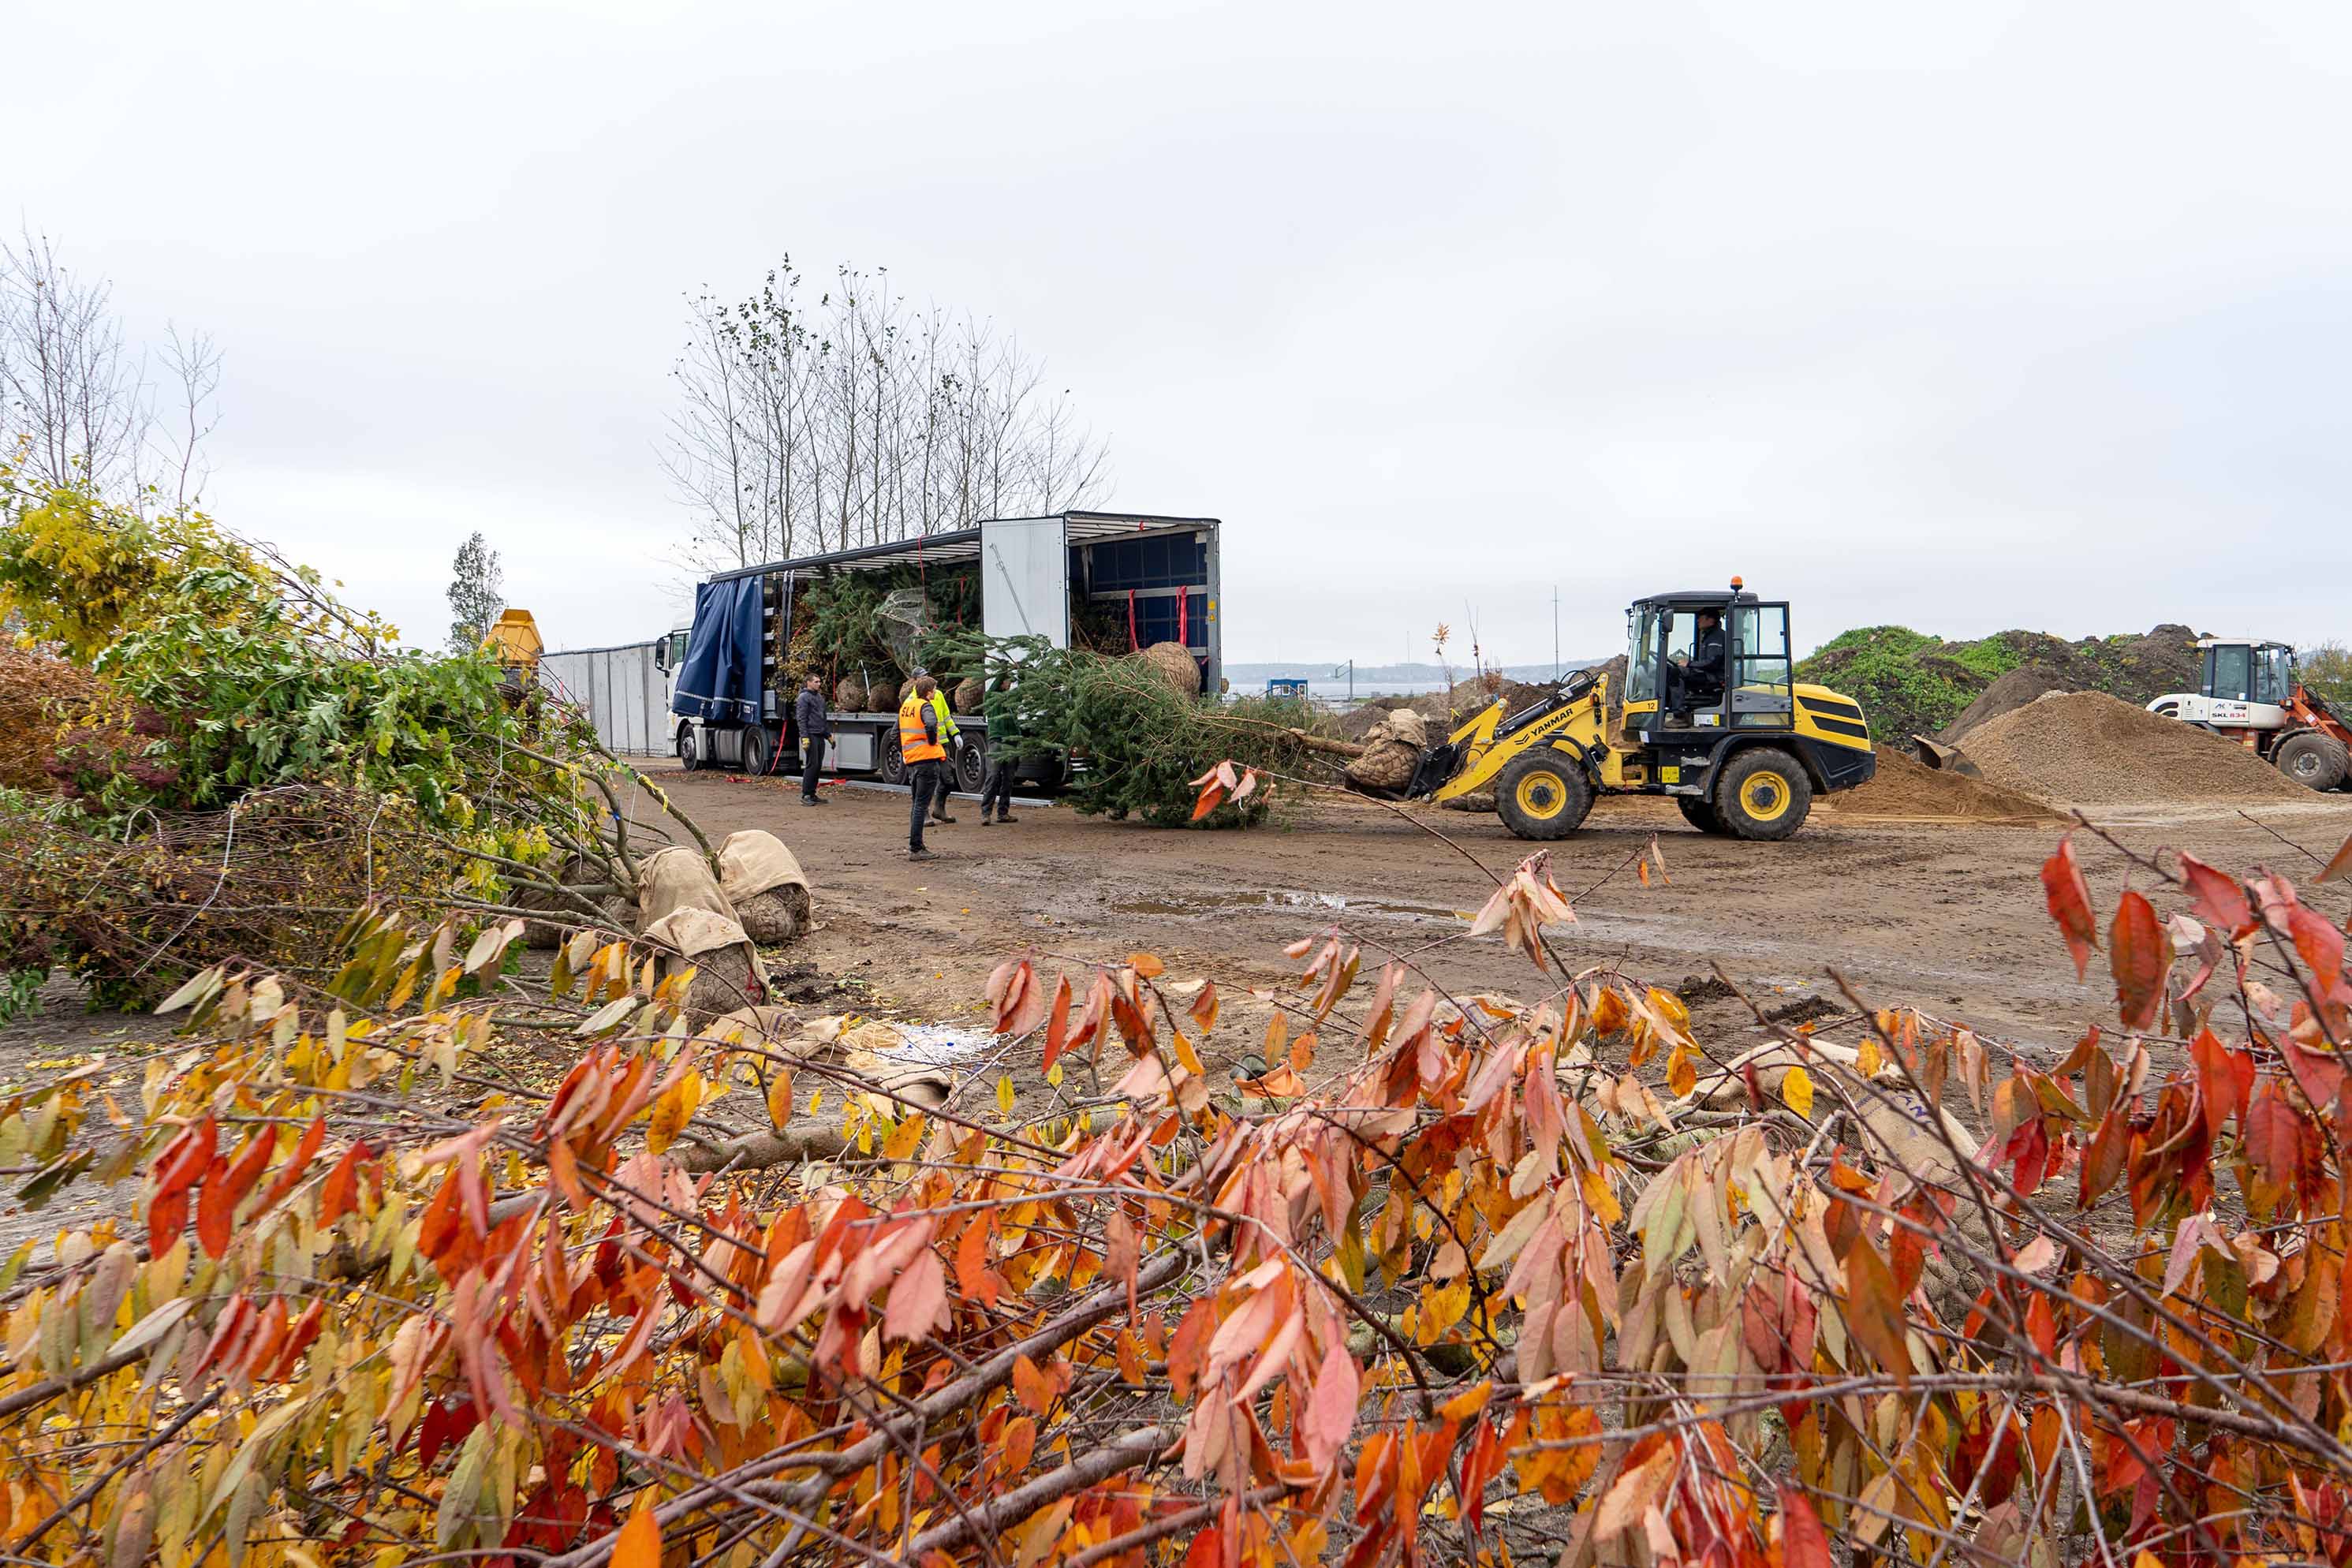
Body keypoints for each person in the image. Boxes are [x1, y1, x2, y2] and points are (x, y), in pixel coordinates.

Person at [898, 674, 948, 859]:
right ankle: (916, 848)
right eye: (934, 689)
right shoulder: (925, 706)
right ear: (928, 692)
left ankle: (915, 845)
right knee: (921, 804)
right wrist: (933, 741)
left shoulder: (906, 707)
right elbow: (931, 724)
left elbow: (896, 732)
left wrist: (905, 752)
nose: (935, 692)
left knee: (916, 804)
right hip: (927, 760)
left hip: (912, 761)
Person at [976, 676, 1021, 826]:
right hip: (997, 742)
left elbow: (1024, 689)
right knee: (993, 777)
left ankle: (1003, 813)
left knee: (1008, 780)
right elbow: (997, 681)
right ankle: (986, 813)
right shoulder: (992, 697)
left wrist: (1023, 672)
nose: (1009, 685)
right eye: (1007, 681)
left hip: (1012, 743)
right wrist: (1004, 668)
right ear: (1001, 683)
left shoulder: (1011, 702)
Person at [1670, 610, 1727, 713]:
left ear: (1711, 620)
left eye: (1701, 617)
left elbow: (1712, 663)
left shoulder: (1716, 637)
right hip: (1709, 674)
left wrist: (1689, 664)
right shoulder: (1709, 636)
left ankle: (1678, 714)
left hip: (1715, 677)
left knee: (1675, 672)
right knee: (1675, 671)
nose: (1698, 620)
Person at [922, 674, 961, 824]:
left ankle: (939, 809)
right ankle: (924, 814)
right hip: (925, 747)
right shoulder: (913, 700)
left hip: (942, 744)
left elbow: (946, 717)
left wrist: (956, 733)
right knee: (925, 782)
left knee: (948, 779)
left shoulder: (938, 696)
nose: (936, 690)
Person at [794, 674, 831, 806]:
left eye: (819, 681)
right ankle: (806, 795)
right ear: (808, 683)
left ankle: (812, 793)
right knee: (812, 765)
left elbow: (823, 718)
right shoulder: (803, 698)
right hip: (810, 735)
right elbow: (801, 719)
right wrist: (804, 737)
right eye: (816, 681)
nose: (819, 684)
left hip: (820, 735)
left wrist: (828, 735)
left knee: (818, 766)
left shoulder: (819, 698)